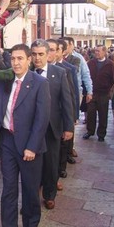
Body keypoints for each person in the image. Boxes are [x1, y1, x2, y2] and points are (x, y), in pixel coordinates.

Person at [0, 44, 50, 227]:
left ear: (28, 60)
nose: (16, 63)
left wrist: (32, 147)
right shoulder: (3, 81)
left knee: (29, 188)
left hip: (29, 144)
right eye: (13, 59)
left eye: (20, 58)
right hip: (7, 141)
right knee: (8, 188)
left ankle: (30, 224)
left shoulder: (39, 83)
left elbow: (41, 119)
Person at [31, 39, 74, 210]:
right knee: (32, 164)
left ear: (48, 53)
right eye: (34, 54)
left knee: (51, 163)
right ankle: (31, 197)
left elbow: (66, 100)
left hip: (52, 126)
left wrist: (68, 127)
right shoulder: (26, 72)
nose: (37, 58)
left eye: (41, 54)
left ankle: (49, 195)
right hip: (31, 127)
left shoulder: (59, 72)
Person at [83, 45, 114, 142]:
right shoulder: (90, 63)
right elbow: (86, 76)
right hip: (92, 92)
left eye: (98, 51)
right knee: (91, 113)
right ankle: (90, 131)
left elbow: (113, 78)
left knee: (103, 114)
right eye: (95, 51)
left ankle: (101, 134)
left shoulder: (110, 64)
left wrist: (106, 87)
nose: (96, 53)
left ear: (104, 52)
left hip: (103, 93)